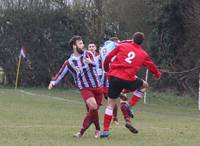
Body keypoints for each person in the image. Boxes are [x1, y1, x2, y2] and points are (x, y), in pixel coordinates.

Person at [100, 32, 161, 138]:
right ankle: (130, 104)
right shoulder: (143, 54)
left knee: (110, 104)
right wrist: (157, 74)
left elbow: (108, 57)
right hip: (128, 80)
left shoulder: (122, 46)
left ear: (132, 38)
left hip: (114, 77)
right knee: (144, 85)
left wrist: (106, 69)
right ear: (142, 42)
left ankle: (105, 131)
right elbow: (151, 66)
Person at [48, 36, 103, 138]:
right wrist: (53, 82)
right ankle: (85, 131)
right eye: (80, 44)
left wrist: (91, 63)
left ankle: (96, 130)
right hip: (85, 88)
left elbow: (96, 64)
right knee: (93, 107)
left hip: (98, 87)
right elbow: (61, 74)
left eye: (83, 43)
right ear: (74, 46)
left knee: (92, 111)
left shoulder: (88, 54)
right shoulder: (69, 62)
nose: (83, 46)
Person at [99, 37, 120, 124]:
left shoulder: (103, 49)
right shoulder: (113, 46)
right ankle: (114, 117)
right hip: (112, 74)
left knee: (110, 99)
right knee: (111, 99)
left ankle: (114, 117)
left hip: (106, 77)